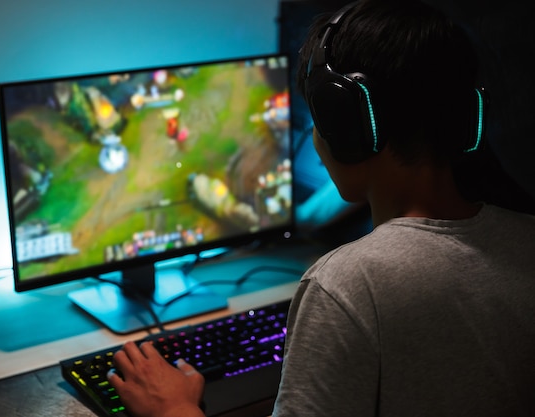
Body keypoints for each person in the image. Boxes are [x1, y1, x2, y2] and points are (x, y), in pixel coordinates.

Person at [106, 0, 535, 416]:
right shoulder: (525, 239)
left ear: (347, 127)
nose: (314, 134)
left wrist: (174, 408)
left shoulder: (349, 285)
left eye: (319, 118)